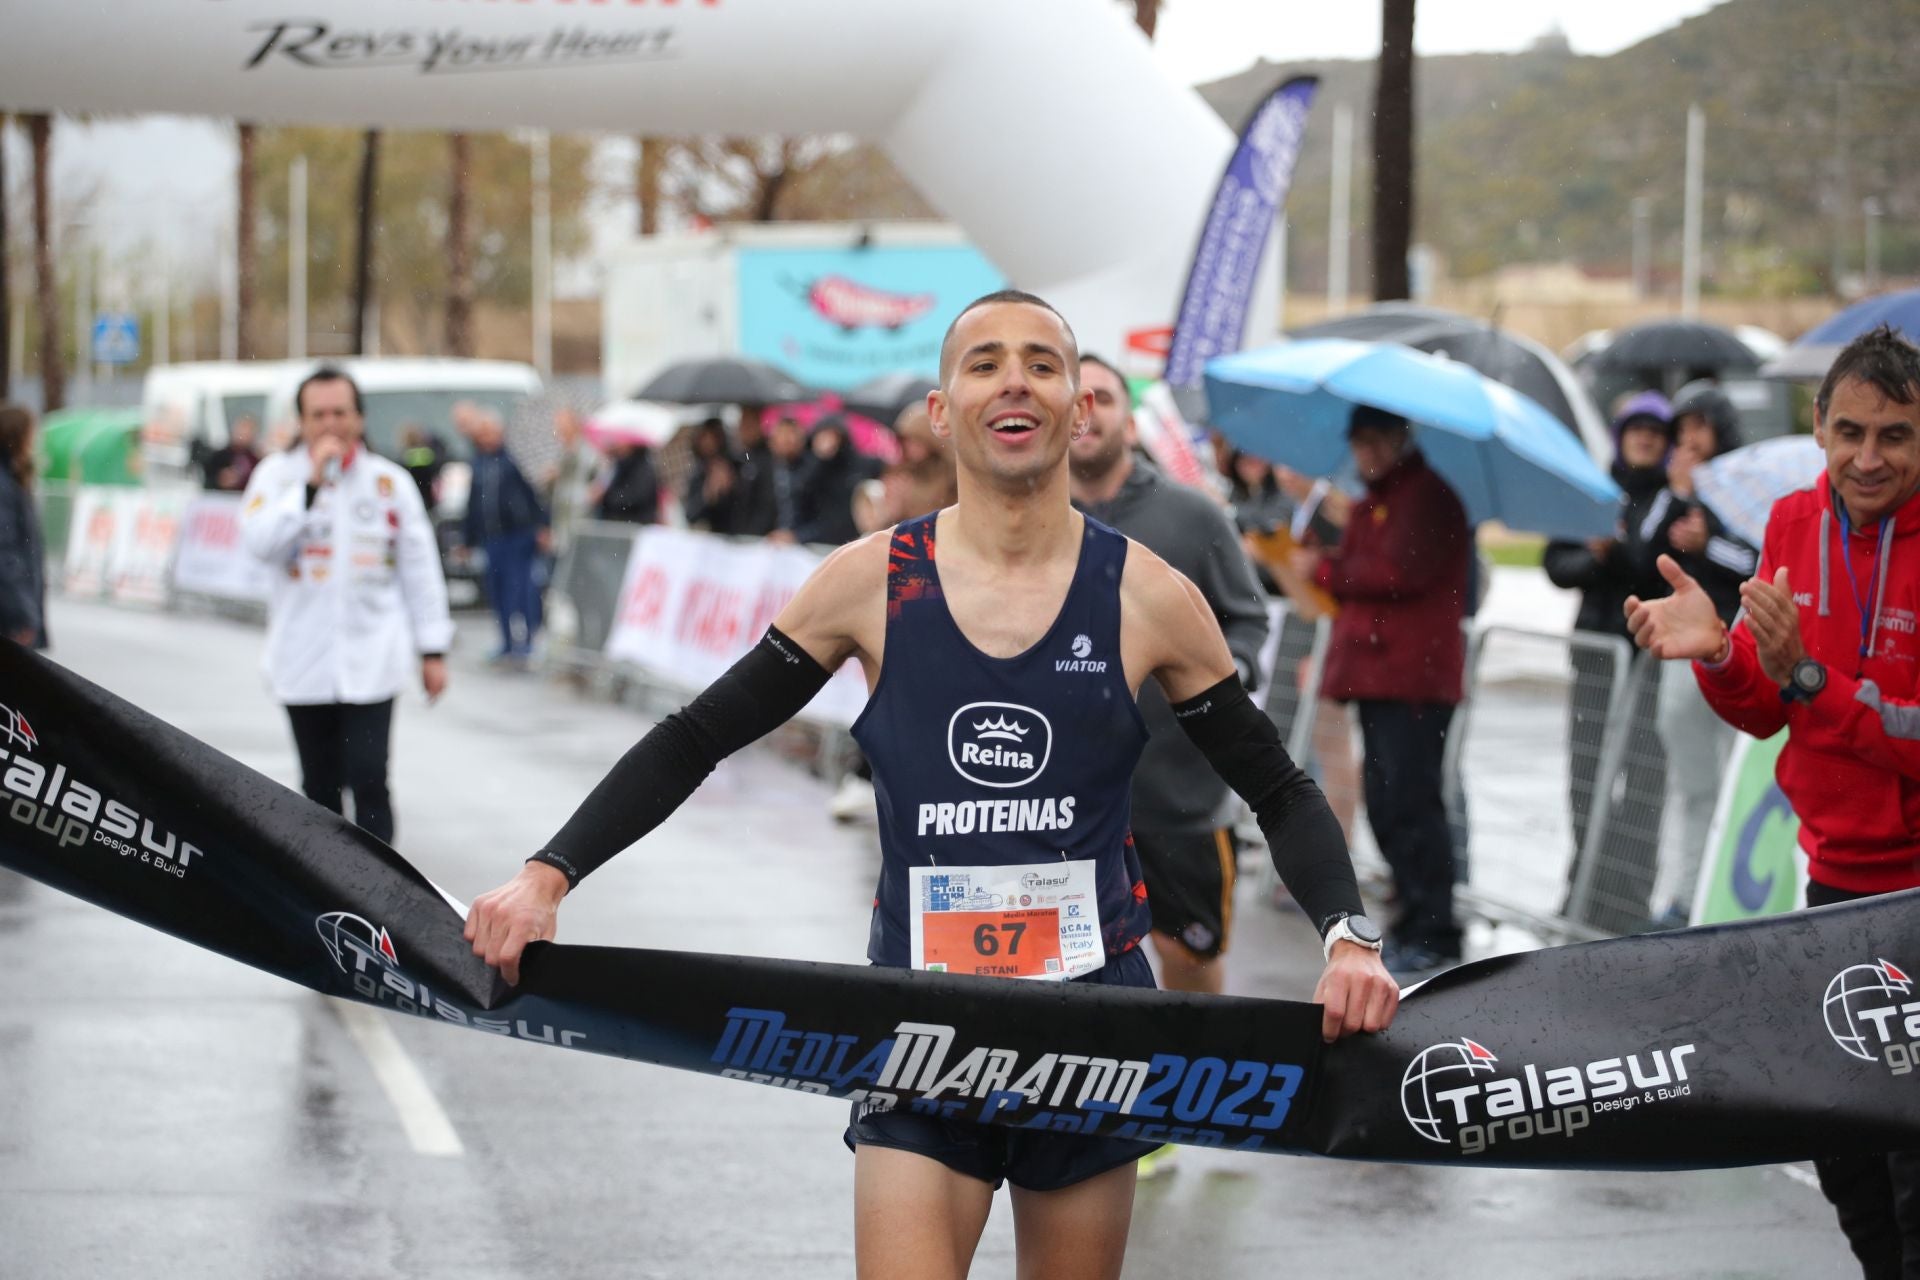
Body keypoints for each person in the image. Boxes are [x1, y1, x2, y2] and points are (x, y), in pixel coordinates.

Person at [463, 291, 1398, 1279]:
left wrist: (1349, 937)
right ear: (941, 411)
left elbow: (1282, 788)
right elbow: (698, 735)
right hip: (921, 1028)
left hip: (1093, 1028)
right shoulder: (870, 583)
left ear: (1079, 411)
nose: (1015, 380)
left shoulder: (1149, 596)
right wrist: (547, 873)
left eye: (1043, 363)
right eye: (985, 361)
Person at [1624, 325, 1920, 1279]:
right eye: (1850, 432)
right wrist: (1718, 654)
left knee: (1915, 1169)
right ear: (1819, 429)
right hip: (1833, 893)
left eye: (1897, 435)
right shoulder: (1793, 522)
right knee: (1839, 1147)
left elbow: (1878, 721)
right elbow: (1762, 709)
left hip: (1918, 901)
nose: (1868, 457)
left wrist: (1806, 682)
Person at [1068, 352, 1269, 1003]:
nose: (1087, 411)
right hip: (1066, 799)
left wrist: (1219, 680)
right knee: (1075, 966)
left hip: (1180, 795)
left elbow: (1246, 619)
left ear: (1130, 420)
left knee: (1190, 960)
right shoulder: (1027, 523)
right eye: (1075, 398)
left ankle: (1195, 1089)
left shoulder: (1193, 516)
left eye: (1102, 396)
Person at [240, 367, 452, 845]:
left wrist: (433, 649)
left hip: (372, 660)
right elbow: (258, 543)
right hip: (302, 662)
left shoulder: (389, 483)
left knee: (370, 778)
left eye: (340, 412)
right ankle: (325, 899)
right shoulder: (276, 477)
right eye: (318, 415)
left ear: (359, 417)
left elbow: (419, 569)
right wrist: (309, 489)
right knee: (318, 791)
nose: (329, 424)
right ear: (301, 421)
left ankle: (384, 898)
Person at [1295, 405, 1469, 977]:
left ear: (1398, 439)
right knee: (1389, 800)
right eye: (1359, 443)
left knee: (1411, 804)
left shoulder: (1423, 496)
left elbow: (1394, 573)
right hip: (1382, 673)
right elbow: (1371, 567)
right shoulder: (1382, 497)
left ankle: (1435, 928)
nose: (1365, 454)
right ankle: (1413, 917)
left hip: (1411, 677)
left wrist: (1322, 570)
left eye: (1375, 442)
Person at [1543, 391, 1673, 934]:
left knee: (1642, 782)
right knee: (1586, 777)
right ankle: (1586, 884)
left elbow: (1654, 568)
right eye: (1634, 429)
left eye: (1654, 432)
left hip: (1646, 665)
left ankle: (1629, 896)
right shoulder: (1593, 492)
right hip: (1596, 661)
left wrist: (1611, 556)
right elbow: (1557, 562)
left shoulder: (1674, 500)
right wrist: (1597, 559)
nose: (1643, 439)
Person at [1649, 382, 1755, 926]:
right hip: (1687, 660)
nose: (1689, 439)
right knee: (1692, 787)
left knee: (1732, 783)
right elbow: (1647, 551)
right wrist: (1675, 493)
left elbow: (1754, 558)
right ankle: (1683, 897)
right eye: (1681, 429)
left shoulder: (1743, 485)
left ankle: (1725, 904)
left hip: (1736, 650)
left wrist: (1707, 542)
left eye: (1699, 427)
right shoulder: (1679, 487)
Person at [465, 410, 550, 665]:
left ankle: (526, 641)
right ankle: (505, 642)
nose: (487, 437)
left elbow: (534, 497)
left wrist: (542, 526)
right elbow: (472, 504)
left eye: (490, 431)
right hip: (493, 538)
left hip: (518, 535)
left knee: (521, 589)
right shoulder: (478, 463)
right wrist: (468, 538)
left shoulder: (514, 460)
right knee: (497, 591)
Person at [0, 404, 49, 651]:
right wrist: (21, 614)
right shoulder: (5, 484)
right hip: (10, 619)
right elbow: (5, 554)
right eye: (32, 435)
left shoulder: (12, 480)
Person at [789, 415, 878, 546]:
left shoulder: (861, 466)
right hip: (815, 541)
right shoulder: (808, 465)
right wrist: (819, 459)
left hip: (850, 540)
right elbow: (800, 498)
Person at [682, 419, 740, 535]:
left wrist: (729, 488)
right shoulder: (698, 472)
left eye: (713, 438)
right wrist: (708, 494)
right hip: (711, 537)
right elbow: (691, 514)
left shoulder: (735, 466)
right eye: (704, 437)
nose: (708, 443)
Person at [201, 415, 262, 492]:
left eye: (248, 431)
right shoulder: (219, 456)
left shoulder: (255, 459)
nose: (244, 435)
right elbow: (207, 481)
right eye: (242, 430)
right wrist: (220, 480)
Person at [398, 423, 449, 513]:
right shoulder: (429, 454)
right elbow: (439, 465)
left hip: (412, 499)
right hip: (430, 501)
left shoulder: (404, 458)